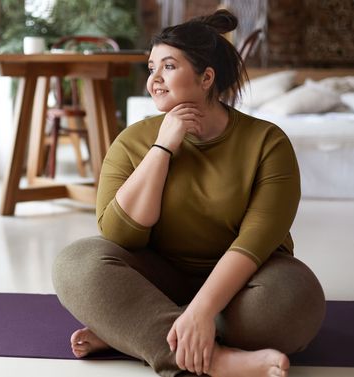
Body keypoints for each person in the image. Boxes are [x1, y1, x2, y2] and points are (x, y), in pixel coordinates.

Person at [52, 9, 325, 377]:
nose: (154, 80)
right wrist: (162, 148)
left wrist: (201, 311)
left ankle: (139, 332)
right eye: (151, 69)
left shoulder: (267, 143)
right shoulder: (132, 141)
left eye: (168, 67)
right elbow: (119, 234)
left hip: (244, 283)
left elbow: (255, 243)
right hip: (159, 275)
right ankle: (212, 359)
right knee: (76, 264)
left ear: (206, 77)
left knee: (295, 301)